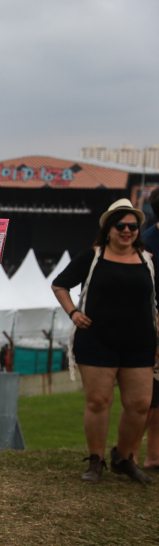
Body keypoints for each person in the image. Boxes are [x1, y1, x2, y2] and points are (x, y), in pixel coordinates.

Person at [51, 198, 156, 484]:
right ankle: (96, 461)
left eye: (132, 226)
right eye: (120, 225)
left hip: (141, 343)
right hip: (97, 341)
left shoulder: (147, 260)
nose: (127, 230)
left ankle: (124, 458)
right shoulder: (93, 256)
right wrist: (73, 312)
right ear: (108, 229)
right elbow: (59, 284)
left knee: (139, 404)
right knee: (98, 401)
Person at [136, 188, 159, 473]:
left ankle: (153, 456)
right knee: (146, 399)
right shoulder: (147, 243)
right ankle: (128, 453)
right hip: (151, 326)